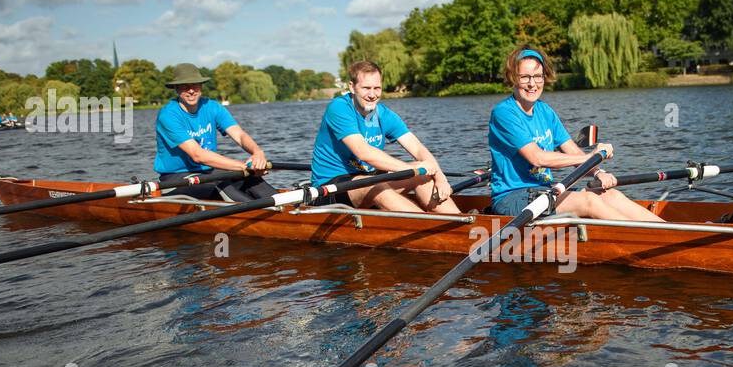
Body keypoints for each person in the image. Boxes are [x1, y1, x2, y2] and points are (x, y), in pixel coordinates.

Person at [486, 46, 663, 221]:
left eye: (538, 76)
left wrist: (597, 172)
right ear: (512, 78)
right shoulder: (504, 113)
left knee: (611, 196)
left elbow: (572, 151)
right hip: (512, 198)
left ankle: (670, 233)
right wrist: (591, 156)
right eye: (525, 77)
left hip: (544, 192)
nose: (532, 83)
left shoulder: (545, 111)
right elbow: (538, 158)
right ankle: (649, 239)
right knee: (589, 201)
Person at [310, 60, 459, 213]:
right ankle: (431, 229)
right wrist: (408, 168)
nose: (372, 95)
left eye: (377, 88)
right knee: (376, 185)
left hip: (367, 179)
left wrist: (440, 177)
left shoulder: (384, 114)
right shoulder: (339, 108)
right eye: (366, 88)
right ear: (352, 87)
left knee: (423, 176)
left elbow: (417, 148)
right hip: (330, 187)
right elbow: (364, 152)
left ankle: (462, 225)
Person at [154, 63, 276, 201]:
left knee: (250, 178)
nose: (191, 90)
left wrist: (257, 153)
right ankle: (268, 217)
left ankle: (288, 208)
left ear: (201, 86)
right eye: (184, 86)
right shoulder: (168, 115)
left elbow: (240, 135)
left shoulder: (212, 107)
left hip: (208, 172)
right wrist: (243, 166)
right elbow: (198, 155)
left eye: (195, 85)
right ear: (176, 89)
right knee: (220, 182)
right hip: (175, 180)